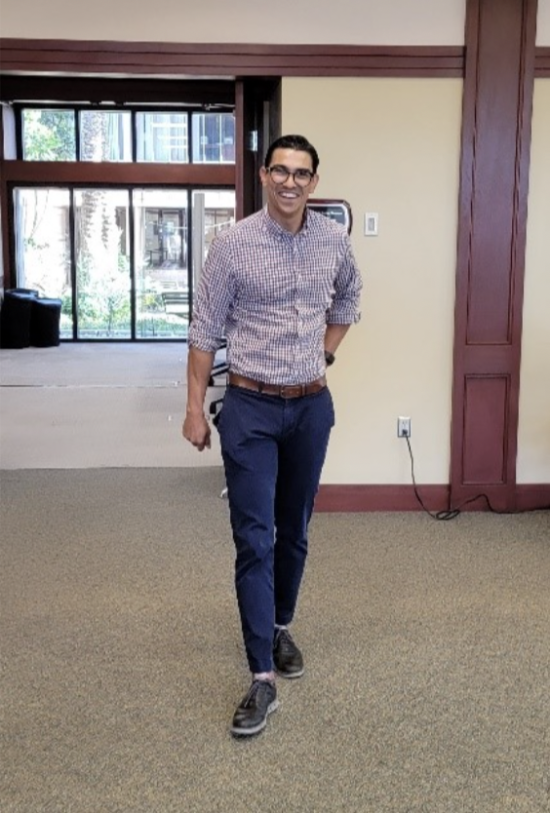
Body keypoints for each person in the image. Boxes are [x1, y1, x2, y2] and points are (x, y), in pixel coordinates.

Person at [182, 134, 362, 737]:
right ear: (264, 175)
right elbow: (204, 328)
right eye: (280, 170)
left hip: (310, 407)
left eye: (302, 173)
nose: (290, 182)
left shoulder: (333, 242)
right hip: (250, 408)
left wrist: (326, 355)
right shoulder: (232, 245)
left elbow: (350, 300)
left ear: (314, 181)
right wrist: (192, 408)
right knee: (254, 538)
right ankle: (262, 677)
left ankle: (281, 623)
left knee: (296, 530)